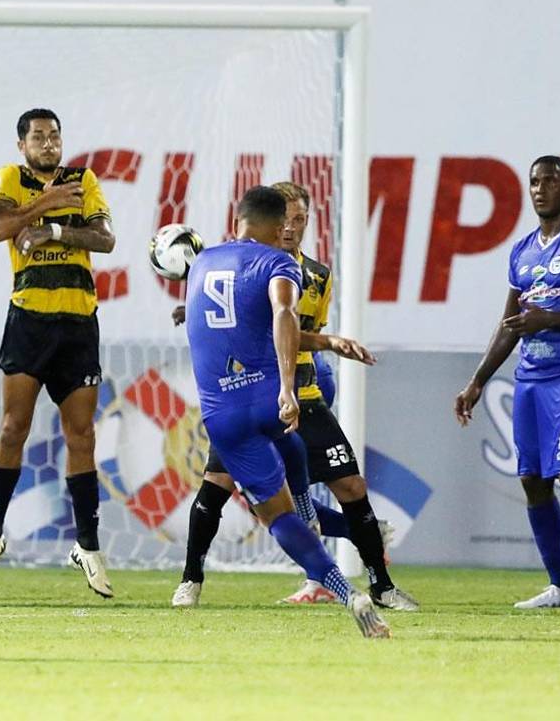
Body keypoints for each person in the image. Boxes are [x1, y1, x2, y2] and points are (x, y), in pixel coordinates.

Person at [174, 182, 418, 612]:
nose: (291, 227)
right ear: (275, 225)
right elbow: (278, 319)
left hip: (287, 395)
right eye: (286, 219)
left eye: (300, 219)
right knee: (217, 491)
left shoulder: (312, 274)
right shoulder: (273, 265)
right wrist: (324, 347)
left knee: (346, 485)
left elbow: (282, 325)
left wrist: (323, 347)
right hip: (277, 394)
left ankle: (380, 585)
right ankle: (191, 579)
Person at [0, 109, 116, 598]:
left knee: (81, 434)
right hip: (29, 319)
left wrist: (51, 232)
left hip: (77, 322)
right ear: (21, 144)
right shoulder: (11, 178)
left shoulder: (84, 179)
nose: (49, 144)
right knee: (13, 427)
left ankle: (87, 546)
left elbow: (105, 238)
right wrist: (47, 203)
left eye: (54, 136)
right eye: (38, 137)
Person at [456, 156, 560, 610]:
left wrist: (551, 318)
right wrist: (477, 380)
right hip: (530, 379)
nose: (540, 188)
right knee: (533, 481)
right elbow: (511, 323)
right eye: (534, 181)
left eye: (550, 180)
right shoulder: (522, 251)